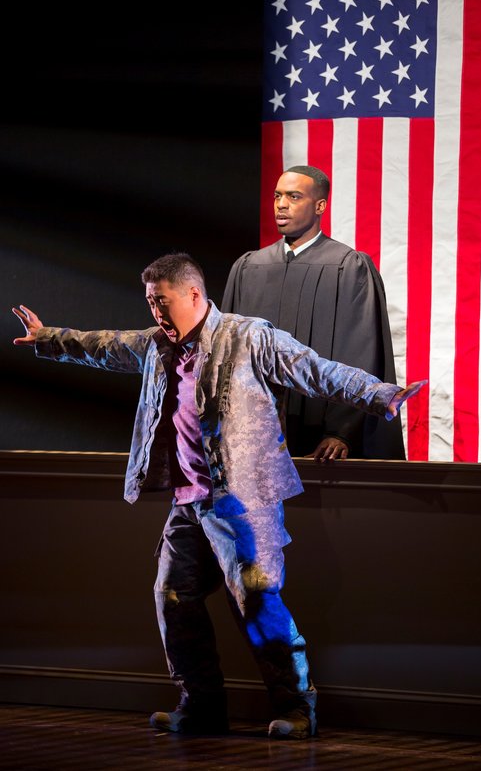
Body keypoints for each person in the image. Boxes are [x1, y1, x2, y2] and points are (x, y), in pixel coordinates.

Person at [12, 251, 425, 740]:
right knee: (172, 598)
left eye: (162, 302)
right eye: (149, 303)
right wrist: (49, 338)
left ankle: (297, 708)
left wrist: (380, 395)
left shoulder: (248, 335)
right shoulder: (156, 346)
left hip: (242, 500)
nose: (156, 314)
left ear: (193, 294)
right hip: (188, 503)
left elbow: (316, 370)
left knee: (256, 597)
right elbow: (106, 345)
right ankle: (201, 705)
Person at [221, 165, 405, 462]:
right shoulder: (249, 267)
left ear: (320, 206)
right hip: (254, 437)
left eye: (294, 197)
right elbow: (228, 351)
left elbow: (361, 349)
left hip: (323, 438)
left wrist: (341, 430)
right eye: (277, 195)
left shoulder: (347, 267)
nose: (281, 204)